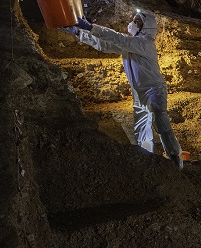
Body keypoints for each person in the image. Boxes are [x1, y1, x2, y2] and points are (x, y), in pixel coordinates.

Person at [65, 11, 184, 168]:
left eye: (137, 22)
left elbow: (116, 37)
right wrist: (79, 33)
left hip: (154, 89)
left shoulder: (144, 43)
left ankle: (175, 158)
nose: (133, 23)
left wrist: (90, 27)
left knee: (161, 121)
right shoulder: (132, 44)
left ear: (145, 28)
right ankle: (147, 161)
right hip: (139, 92)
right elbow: (104, 44)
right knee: (142, 128)